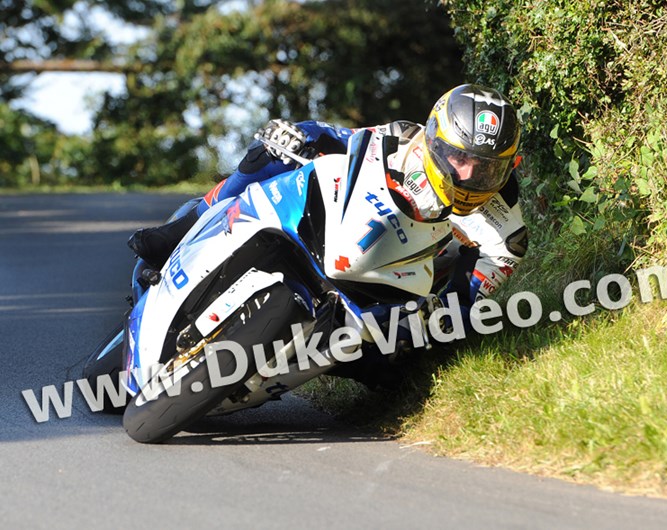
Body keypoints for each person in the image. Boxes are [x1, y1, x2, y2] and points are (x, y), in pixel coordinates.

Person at [128, 84, 528, 386]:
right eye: (460, 159)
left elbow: (471, 294)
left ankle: (298, 366)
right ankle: (182, 227)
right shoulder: (405, 139)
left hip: (400, 287)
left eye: (487, 168)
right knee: (267, 154)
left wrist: (438, 316)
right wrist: (295, 134)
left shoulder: (506, 230)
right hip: (347, 232)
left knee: (394, 372)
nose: (469, 177)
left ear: (509, 166)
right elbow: (342, 138)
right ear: (435, 138)